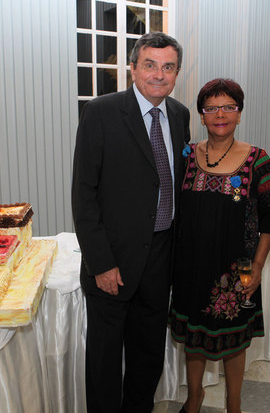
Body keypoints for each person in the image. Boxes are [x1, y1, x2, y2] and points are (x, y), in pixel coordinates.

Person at [72, 32, 190, 412]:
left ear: (177, 73)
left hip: (161, 256)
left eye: (168, 67)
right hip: (114, 261)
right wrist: (101, 263)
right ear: (133, 68)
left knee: (148, 353)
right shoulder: (101, 112)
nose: (159, 74)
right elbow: (84, 194)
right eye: (150, 65)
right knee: (105, 360)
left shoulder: (180, 115)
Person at [169, 78, 270, 413]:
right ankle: (194, 397)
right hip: (191, 267)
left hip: (237, 273)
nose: (220, 114)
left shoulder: (258, 161)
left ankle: (234, 403)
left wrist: (258, 266)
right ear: (201, 116)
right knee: (194, 340)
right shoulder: (186, 157)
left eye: (228, 107)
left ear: (239, 113)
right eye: (211, 108)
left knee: (235, 342)